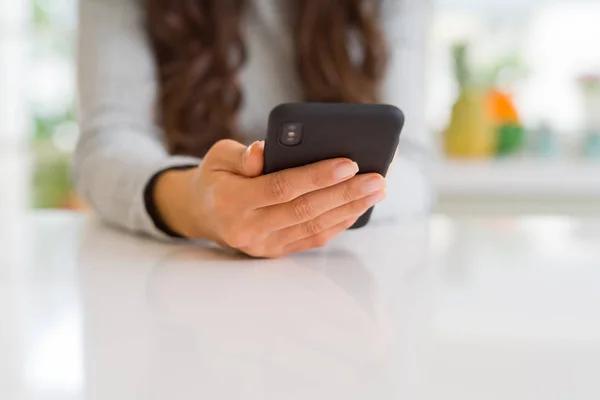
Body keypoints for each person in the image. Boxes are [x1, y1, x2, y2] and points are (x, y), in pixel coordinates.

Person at [75, 0, 432, 258]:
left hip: (340, 270)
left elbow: (414, 160)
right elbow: (108, 141)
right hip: (189, 266)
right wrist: (194, 203)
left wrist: (342, 200)